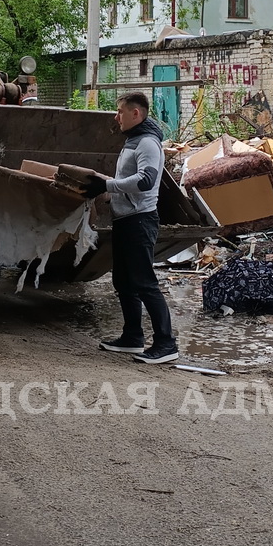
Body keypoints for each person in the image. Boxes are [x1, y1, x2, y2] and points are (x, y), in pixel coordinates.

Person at [84, 92, 179, 364]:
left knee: (145, 283)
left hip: (140, 220)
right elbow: (128, 179)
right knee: (124, 281)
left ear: (136, 113)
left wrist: (108, 186)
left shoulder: (148, 143)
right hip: (125, 219)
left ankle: (166, 343)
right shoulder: (133, 141)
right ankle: (132, 338)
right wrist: (107, 194)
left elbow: (146, 180)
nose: (116, 117)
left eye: (120, 112)